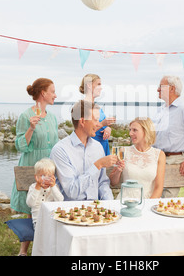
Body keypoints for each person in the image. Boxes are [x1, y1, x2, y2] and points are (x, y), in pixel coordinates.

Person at [11, 77, 59, 256]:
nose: (55, 95)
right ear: (43, 93)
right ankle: (23, 251)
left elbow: (55, 145)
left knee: (49, 205)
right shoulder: (25, 116)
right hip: (31, 165)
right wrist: (30, 128)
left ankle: (47, 247)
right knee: (32, 208)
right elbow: (20, 146)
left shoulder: (53, 117)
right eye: (53, 91)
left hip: (49, 166)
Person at [50, 100, 121, 201]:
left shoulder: (98, 147)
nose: (98, 124)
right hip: (69, 213)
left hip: (95, 210)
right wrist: (97, 165)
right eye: (96, 120)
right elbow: (72, 191)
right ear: (82, 121)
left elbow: (102, 183)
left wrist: (110, 204)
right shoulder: (60, 150)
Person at [152, 76, 184, 197]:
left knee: (166, 199)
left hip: (174, 161)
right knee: (152, 196)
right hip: (156, 160)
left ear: (171, 89)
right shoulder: (160, 110)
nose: (157, 89)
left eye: (161, 86)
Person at [109, 117, 166, 198]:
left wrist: (147, 206)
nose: (130, 133)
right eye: (130, 130)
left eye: (135, 130)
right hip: (126, 201)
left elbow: (158, 188)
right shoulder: (123, 151)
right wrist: (118, 170)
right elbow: (113, 182)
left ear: (146, 131)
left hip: (149, 201)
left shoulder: (159, 154)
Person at [79, 74, 116, 155]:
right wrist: (103, 123)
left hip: (103, 148)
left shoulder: (97, 107)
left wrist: (108, 128)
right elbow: (83, 132)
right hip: (91, 152)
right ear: (89, 85)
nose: (101, 87)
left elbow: (102, 125)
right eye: (98, 84)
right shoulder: (82, 107)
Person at [26, 158, 63, 229]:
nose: (46, 179)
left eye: (49, 176)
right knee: (43, 231)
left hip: (52, 218)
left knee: (59, 230)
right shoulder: (33, 187)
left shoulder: (54, 187)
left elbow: (60, 201)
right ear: (36, 177)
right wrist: (37, 187)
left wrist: (53, 187)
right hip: (38, 220)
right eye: (43, 176)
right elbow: (30, 204)